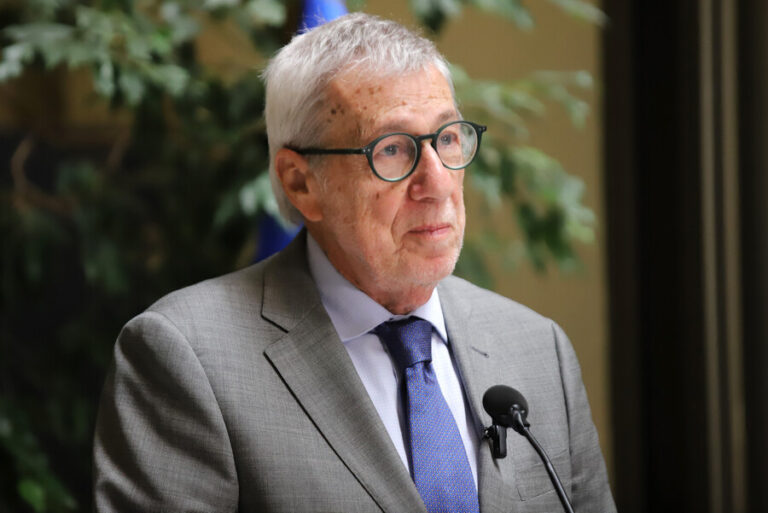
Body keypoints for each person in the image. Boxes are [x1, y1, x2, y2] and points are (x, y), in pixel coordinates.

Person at [93, 13, 616, 513]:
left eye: (447, 138)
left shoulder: (537, 349)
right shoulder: (188, 357)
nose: (437, 183)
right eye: (392, 150)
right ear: (301, 183)